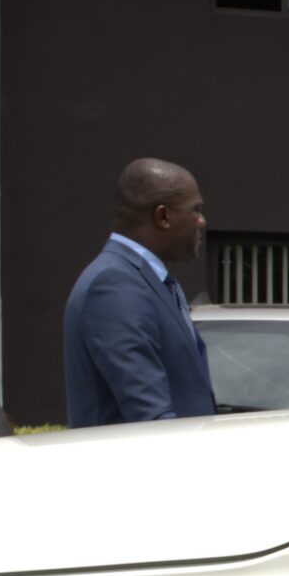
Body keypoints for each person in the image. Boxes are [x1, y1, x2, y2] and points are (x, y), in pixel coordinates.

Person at [61, 157, 216, 426]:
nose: (201, 221)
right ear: (163, 216)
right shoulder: (113, 286)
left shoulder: (141, 279)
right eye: (196, 210)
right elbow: (149, 412)